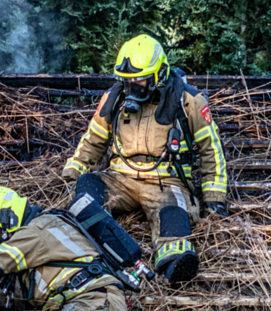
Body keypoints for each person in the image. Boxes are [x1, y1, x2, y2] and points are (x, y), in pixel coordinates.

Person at [61, 34, 229, 285]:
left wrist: (214, 199)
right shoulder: (113, 98)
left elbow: (211, 149)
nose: (132, 87)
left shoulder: (188, 100)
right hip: (120, 179)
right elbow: (93, 139)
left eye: (139, 80)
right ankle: (96, 244)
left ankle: (173, 263)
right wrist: (72, 173)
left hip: (167, 182)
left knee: (173, 215)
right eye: (127, 81)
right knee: (88, 187)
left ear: (159, 74)